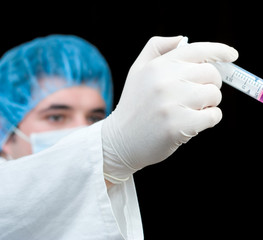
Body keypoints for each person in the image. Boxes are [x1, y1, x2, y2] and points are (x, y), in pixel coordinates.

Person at [0, 34, 238, 239]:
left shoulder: (105, 212)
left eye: (94, 119)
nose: (82, 129)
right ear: (6, 134)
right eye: (56, 117)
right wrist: (109, 150)